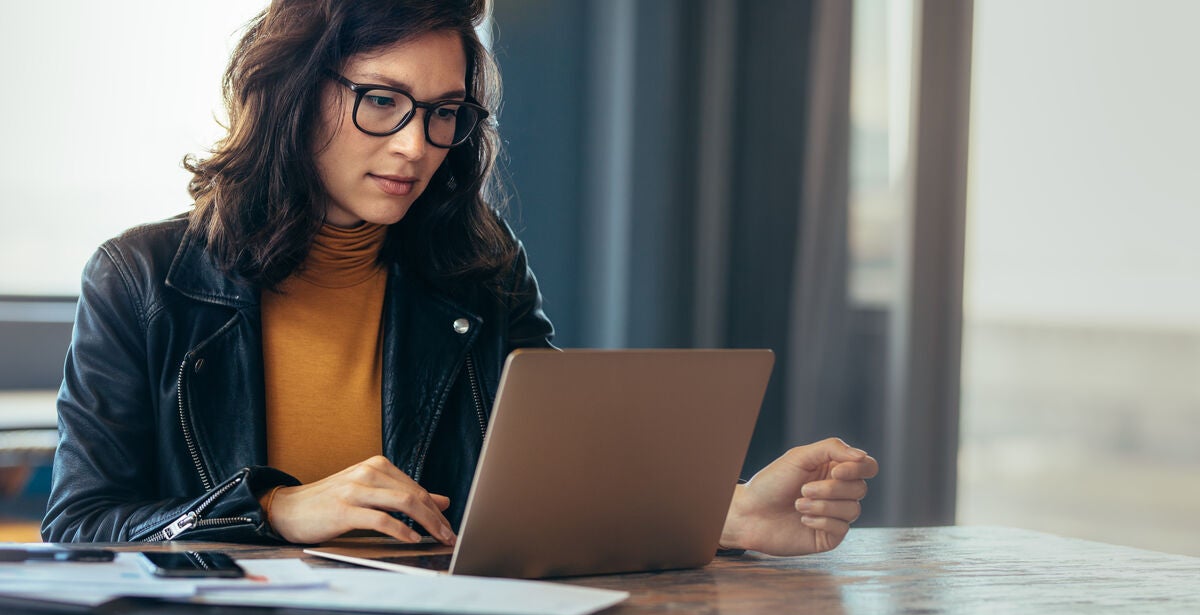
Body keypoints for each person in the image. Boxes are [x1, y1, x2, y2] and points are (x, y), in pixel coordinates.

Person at [41, 0, 878, 557]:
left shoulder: (479, 266)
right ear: (293, 93)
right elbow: (79, 527)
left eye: (445, 112)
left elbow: (555, 483)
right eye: (381, 101)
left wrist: (724, 513)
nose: (415, 144)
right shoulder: (142, 279)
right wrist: (272, 511)